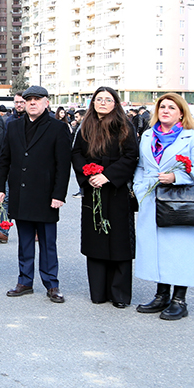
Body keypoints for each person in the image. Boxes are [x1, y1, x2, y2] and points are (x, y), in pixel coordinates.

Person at [132, 93, 194, 320]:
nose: (165, 110)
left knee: (179, 249)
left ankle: (179, 299)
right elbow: (141, 165)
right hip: (151, 199)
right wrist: (139, 187)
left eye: (171, 107)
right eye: (162, 107)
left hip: (179, 199)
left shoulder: (192, 137)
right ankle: (161, 295)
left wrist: (177, 177)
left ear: (181, 113)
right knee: (157, 248)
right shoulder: (147, 136)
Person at [0, 85, 71, 304]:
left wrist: (59, 194)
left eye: (37, 99)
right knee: (25, 241)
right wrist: (0, 188)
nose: (32, 103)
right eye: (29, 100)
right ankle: (25, 281)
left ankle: (52, 283)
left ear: (47, 102)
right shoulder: (14, 126)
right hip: (21, 192)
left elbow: (63, 165)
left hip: (46, 195)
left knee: (48, 242)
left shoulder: (57, 128)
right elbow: (5, 160)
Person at [70, 86, 139, 308]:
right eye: (99, 99)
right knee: (96, 240)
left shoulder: (124, 125)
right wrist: (88, 173)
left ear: (115, 104)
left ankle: (119, 294)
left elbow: (131, 156)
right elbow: (76, 153)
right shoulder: (86, 125)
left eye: (107, 100)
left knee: (119, 242)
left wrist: (107, 176)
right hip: (93, 190)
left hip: (116, 190)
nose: (102, 103)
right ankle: (98, 291)